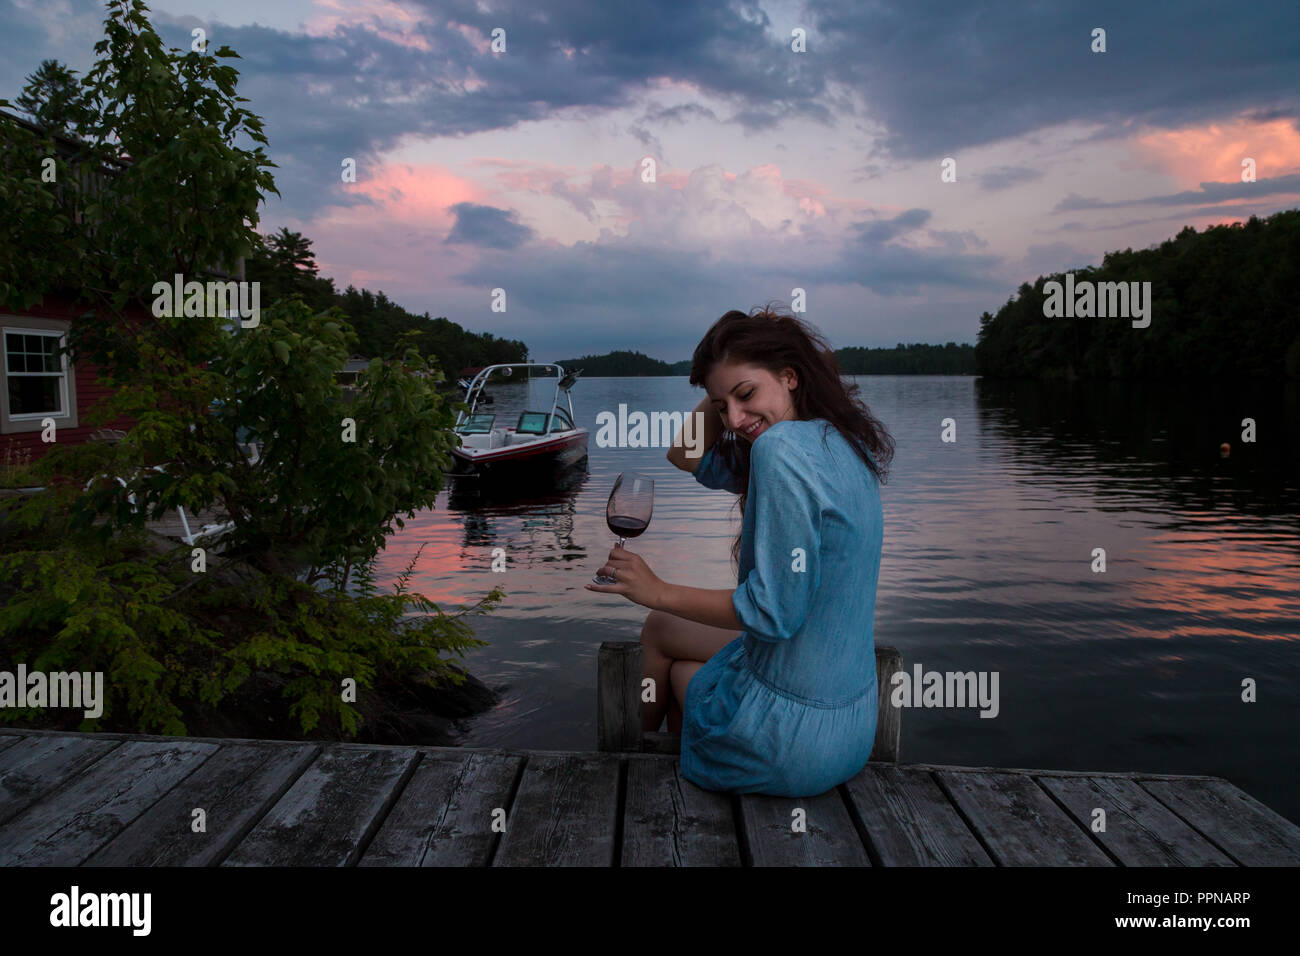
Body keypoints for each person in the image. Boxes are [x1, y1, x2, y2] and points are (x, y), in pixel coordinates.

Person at [586, 304, 894, 796]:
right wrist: (728, 385)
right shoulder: (842, 441)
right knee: (668, 639)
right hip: (849, 726)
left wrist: (656, 590)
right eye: (721, 405)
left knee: (665, 633)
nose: (734, 418)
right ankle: (672, 760)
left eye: (747, 394)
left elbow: (772, 613)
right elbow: (684, 454)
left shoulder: (780, 451)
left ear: (790, 376)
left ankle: (631, 773)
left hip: (791, 741)